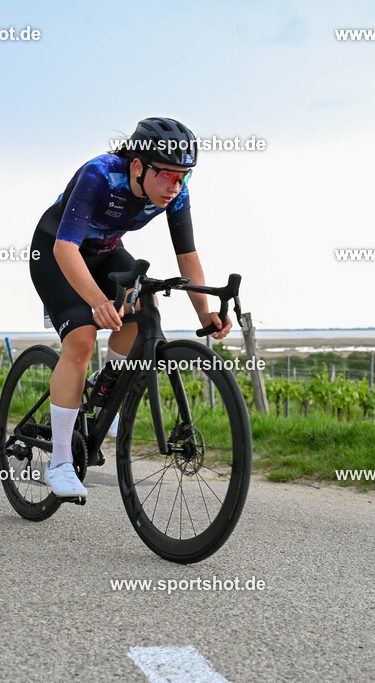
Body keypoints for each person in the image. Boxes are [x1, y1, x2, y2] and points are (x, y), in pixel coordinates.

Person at [30, 117, 232, 498]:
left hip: (106, 251)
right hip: (56, 251)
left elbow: (187, 255)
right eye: (168, 175)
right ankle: (59, 462)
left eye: (184, 177)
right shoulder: (100, 175)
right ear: (138, 166)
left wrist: (204, 313)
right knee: (82, 339)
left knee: (144, 308)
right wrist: (97, 301)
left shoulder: (176, 192)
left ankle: (105, 383)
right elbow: (65, 248)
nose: (176, 186)